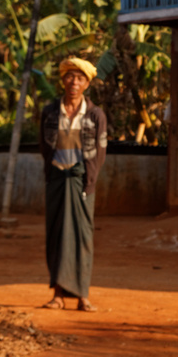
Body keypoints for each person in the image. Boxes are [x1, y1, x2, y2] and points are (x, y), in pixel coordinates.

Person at [39, 56, 107, 312]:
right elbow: (44, 147)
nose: (74, 82)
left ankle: (82, 296)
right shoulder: (49, 111)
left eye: (80, 78)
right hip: (56, 178)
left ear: (87, 83)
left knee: (82, 237)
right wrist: (52, 173)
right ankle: (57, 295)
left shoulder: (95, 114)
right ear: (63, 80)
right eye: (70, 76)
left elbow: (99, 152)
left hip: (81, 181)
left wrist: (89, 183)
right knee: (56, 235)